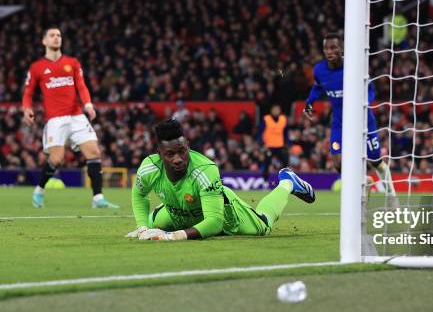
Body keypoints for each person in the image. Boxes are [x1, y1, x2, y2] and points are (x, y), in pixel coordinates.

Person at [125, 119, 315, 241]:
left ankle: (287, 183)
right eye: (170, 154)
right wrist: (142, 227)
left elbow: (214, 222)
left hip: (225, 214)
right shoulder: (149, 168)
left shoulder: (205, 170)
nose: (178, 159)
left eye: (182, 151)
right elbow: (139, 195)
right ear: (159, 153)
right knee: (150, 229)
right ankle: (157, 219)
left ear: (187, 146)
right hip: (178, 212)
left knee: (263, 226)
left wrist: (173, 236)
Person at [22, 27, 118, 208]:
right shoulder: (37, 67)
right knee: (56, 159)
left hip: (76, 116)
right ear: (44, 41)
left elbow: (81, 86)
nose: (56, 38)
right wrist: (27, 109)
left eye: (59, 35)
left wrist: (88, 104)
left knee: (94, 153)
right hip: (55, 119)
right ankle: (39, 190)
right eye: (52, 35)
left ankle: (97, 198)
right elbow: (28, 91)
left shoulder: (72, 62)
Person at [303, 32, 396, 197]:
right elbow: (317, 87)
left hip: (364, 121)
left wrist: (362, 104)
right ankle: (364, 180)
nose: (329, 51)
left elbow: (370, 89)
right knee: (337, 162)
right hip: (340, 123)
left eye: (333, 47)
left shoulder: (354, 66)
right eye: (326, 48)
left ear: (342, 49)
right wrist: (310, 102)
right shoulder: (319, 70)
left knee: (376, 162)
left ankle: (392, 196)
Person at [260, 104, 289, 179]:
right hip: (269, 146)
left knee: (285, 161)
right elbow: (261, 132)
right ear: (271, 111)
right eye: (275, 110)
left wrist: (288, 143)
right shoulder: (266, 119)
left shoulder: (283, 119)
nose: (276, 111)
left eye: (278, 110)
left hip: (280, 146)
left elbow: (285, 132)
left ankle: (284, 179)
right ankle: (265, 180)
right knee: (266, 163)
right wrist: (262, 143)